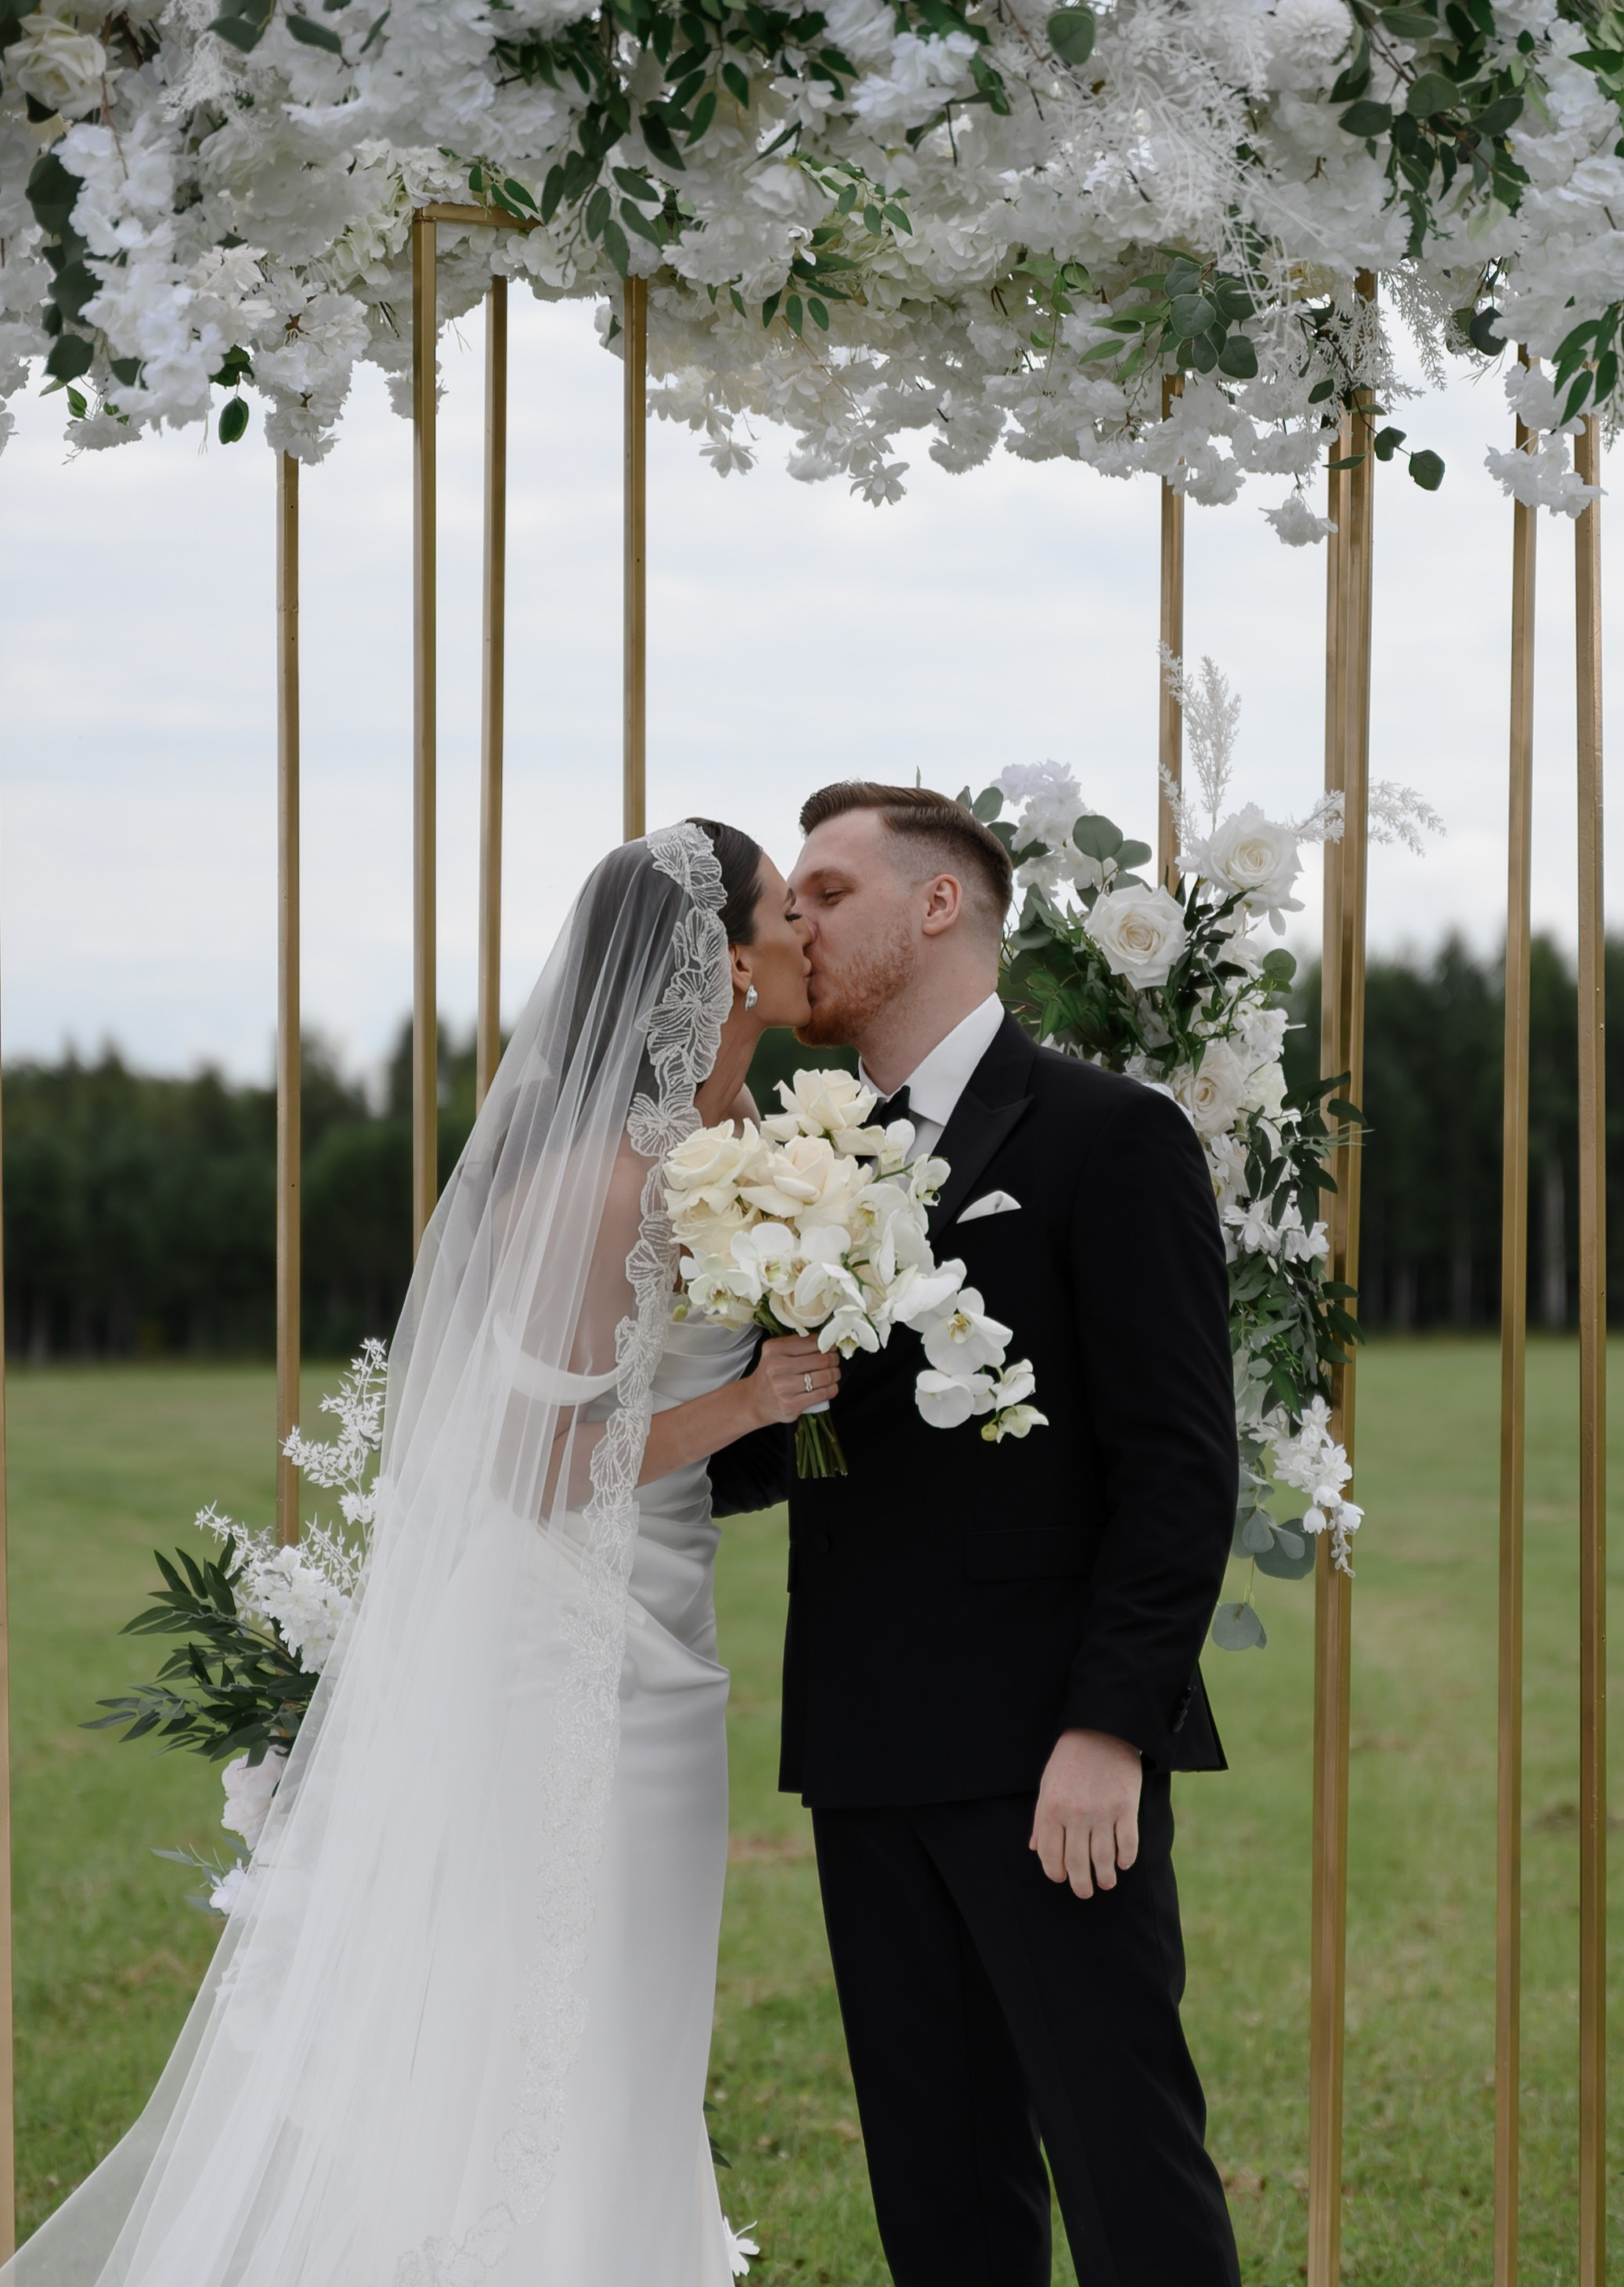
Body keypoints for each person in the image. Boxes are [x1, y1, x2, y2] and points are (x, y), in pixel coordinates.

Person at [10, 820, 832, 2287]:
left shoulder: (741, 1151)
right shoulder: (602, 1188)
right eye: (783, 909)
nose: (803, 931)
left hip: (662, 1617)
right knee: (557, 2009)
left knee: (636, 2009)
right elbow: (526, 1463)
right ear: (723, 966)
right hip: (569, 1640)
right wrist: (751, 1402)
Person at [769, 780, 1242, 2285]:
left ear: (937, 904)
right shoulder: (799, 1164)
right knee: (939, 2195)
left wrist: (1110, 1729)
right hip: (863, 1744)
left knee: (1126, 2172)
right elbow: (781, 1450)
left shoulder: (1111, 1135)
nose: (795, 925)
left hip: (1049, 1758)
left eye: (826, 893)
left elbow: (1179, 1466)